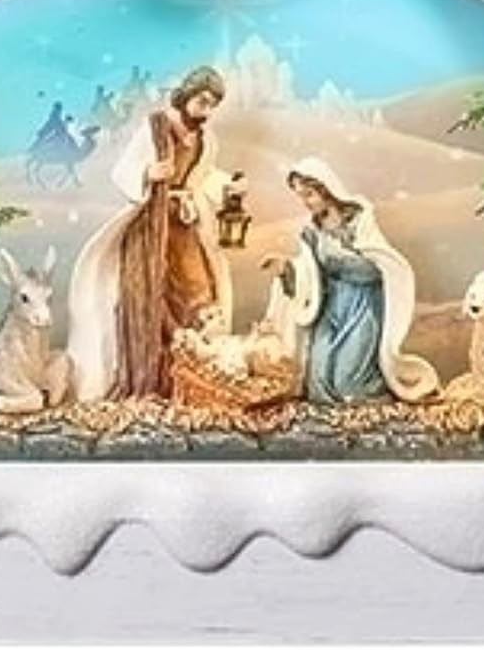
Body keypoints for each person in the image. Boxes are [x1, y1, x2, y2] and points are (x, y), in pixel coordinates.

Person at [66, 66, 245, 401]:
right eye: (202, 102)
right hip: (151, 226)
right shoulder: (155, 128)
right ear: (187, 95)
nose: (206, 112)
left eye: (212, 106)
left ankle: (194, 370)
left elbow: (203, 176)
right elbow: (122, 171)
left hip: (184, 224)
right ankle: (159, 375)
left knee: (198, 289)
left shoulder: (205, 139)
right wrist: (148, 172)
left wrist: (228, 187)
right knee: (154, 292)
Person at [260, 157, 439, 404]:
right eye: (301, 197)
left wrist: (341, 257)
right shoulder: (311, 232)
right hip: (330, 306)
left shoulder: (358, 219)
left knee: (348, 386)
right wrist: (286, 268)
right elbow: (309, 272)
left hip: (362, 306)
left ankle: (378, 391)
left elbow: (377, 264)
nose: (305, 203)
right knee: (318, 385)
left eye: (309, 195)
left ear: (326, 190)